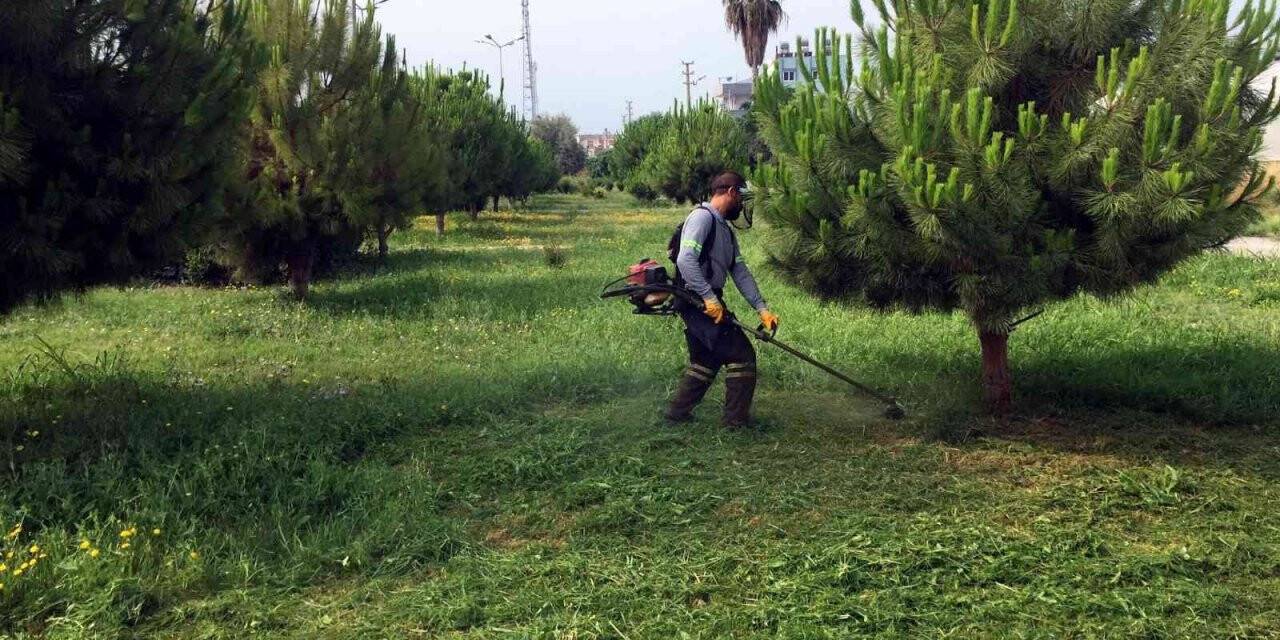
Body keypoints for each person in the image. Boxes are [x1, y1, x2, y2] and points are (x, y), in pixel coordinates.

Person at [665, 171, 779, 429]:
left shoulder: (725, 230)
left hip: (709, 299)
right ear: (731, 192)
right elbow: (685, 260)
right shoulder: (701, 218)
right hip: (694, 299)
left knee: (707, 359)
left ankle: (676, 413)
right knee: (741, 355)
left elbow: (739, 270)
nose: (742, 205)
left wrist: (762, 309)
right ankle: (735, 423)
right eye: (742, 198)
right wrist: (707, 297)